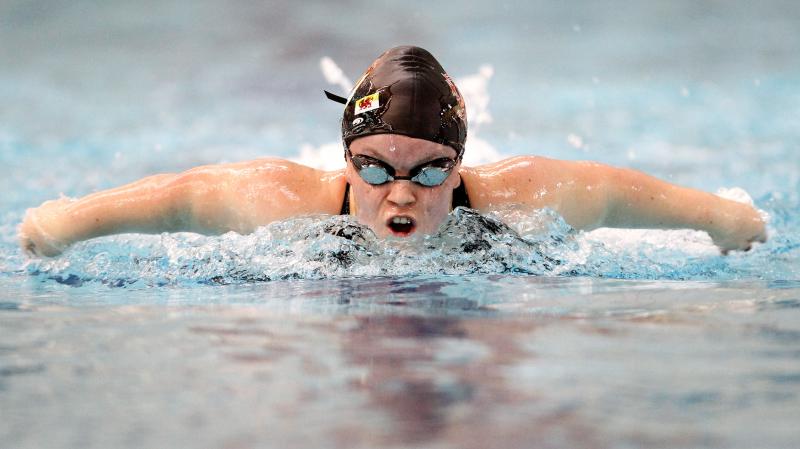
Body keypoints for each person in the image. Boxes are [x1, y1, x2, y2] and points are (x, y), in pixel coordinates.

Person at [18, 46, 766, 258]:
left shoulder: (521, 194)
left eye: (431, 169)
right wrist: (64, 223)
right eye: (373, 169)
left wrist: (724, 218)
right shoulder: (284, 199)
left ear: (460, 166)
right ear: (345, 162)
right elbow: (179, 197)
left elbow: (621, 194)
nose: (400, 193)